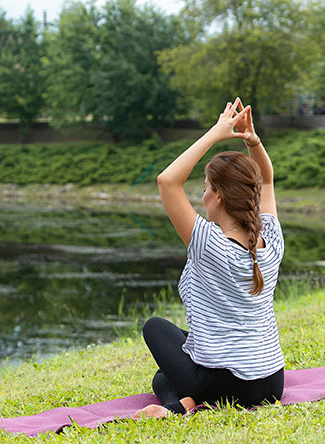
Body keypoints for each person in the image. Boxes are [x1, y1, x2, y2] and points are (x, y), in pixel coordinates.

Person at [134, 98, 285, 418]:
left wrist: (216, 133)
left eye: (205, 188)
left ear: (217, 195)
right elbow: (268, 179)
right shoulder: (270, 240)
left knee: (155, 329)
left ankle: (179, 406)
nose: (201, 196)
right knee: (169, 370)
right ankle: (188, 401)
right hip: (273, 382)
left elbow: (167, 181)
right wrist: (252, 140)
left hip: (233, 385)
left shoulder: (210, 245)